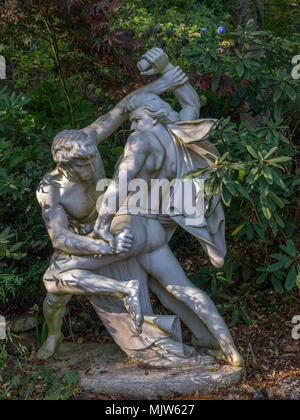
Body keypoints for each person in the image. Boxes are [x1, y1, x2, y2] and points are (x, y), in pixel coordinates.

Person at [48, 50, 242, 367]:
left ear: (151, 116)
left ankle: (123, 295)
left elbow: (119, 186)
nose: (132, 125)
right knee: (177, 289)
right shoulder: (178, 130)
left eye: (137, 119)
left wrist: (101, 228)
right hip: (159, 232)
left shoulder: (140, 141)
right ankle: (226, 348)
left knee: (60, 273)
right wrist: (167, 70)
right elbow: (191, 100)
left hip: (132, 226)